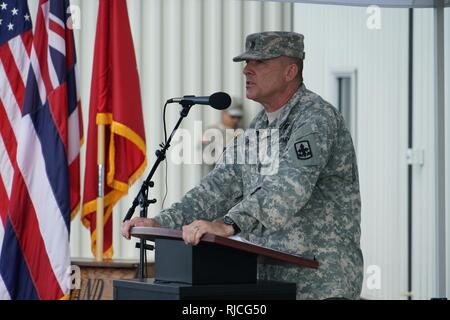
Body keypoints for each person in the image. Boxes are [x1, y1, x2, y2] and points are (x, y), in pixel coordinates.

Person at [122, 31, 363, 299]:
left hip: (320, 284)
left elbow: (288, 189)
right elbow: (220, 185)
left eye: (259, 63)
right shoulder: (260, 125)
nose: (247, 70)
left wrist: (228, 224)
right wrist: (163, 222)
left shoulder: (315, 118)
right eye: (246, 63)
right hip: (272, 284)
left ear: (290, 71)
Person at [201, 99, 244, 174]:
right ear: (223, 113)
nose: (236, 120)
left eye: (239, 117)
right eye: (233, 116)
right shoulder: (211, 132)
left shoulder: (243, 131)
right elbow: (207, 157)